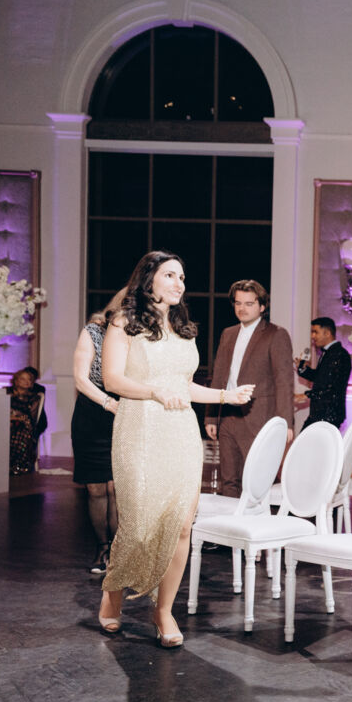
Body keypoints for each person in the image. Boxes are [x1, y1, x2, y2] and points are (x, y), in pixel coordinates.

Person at [98, 250, 254, 646]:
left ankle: (163, 610)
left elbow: (184, 386)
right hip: (139, 427)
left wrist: (227, 395)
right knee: (138, 523)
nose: (178, 284)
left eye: (182, 278)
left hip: (181, 432)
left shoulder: (183, 329)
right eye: (170, 275)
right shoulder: (123, 323)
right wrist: (154, 392)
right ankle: (113, 592)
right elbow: (113, 380)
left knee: (181, 525)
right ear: (148, 278)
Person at [206, 279, 295, 497]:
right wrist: (211, 417)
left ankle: (260, 520)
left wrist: (285, 422)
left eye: (249, 303)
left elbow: (284, 381)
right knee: (229, 481)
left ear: (262, 306)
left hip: (259, 418)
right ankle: (230, 520)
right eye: (238, 303)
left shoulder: (276, 334)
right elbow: (219, 376)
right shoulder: (228, 333)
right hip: (227, 417)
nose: (242, 308)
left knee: (258, 481)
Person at [71, 289, 126, 572]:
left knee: (117, 488)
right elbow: (80, 379)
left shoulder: (140, 337)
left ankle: (117, 552)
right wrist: (107, 402)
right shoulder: (94, 331)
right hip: (92, 415)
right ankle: (101, 547)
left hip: (125, 414)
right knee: (95, 488)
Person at [296, 316, 351, 430]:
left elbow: (332, 386)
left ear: (327, 333)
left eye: (315, 332)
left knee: (304, 440)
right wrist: (303, 369)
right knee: (304, 440)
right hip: (320, 413)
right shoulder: (328, 353)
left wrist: (307, 395)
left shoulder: (340, 354)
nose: (312, 336)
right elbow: (320, 378)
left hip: (329, 414)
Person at [7, 366, 47, 475]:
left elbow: (31, 417)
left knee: (19, 430)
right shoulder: (6, 393)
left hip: (24, 424)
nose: (26, 382)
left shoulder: (34, 397)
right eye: (23, 379)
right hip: (6, 421)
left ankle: (18, 465)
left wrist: (16, 417)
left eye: (29, 379)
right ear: (16, 381)